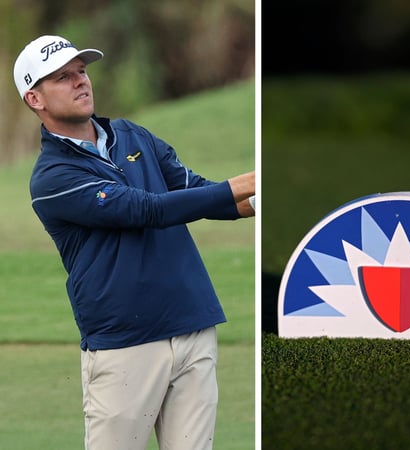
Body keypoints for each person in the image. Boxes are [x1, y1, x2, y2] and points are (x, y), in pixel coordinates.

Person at [13, 35, 256, 450]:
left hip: (192, 323)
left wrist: (256, 198)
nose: (80, 82)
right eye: (62, 78)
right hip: (125, 343)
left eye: (82, 72)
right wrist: (248, 180)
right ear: (35, 99)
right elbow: (147, 210)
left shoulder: (132, 135)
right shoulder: (51, 178)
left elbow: (195, 191)